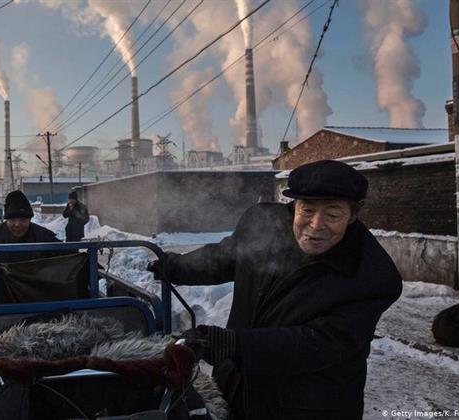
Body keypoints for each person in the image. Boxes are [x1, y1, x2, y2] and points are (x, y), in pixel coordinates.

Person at [148, 160, 402, 420]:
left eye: (333, 214)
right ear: (294, 205)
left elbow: (317, 344)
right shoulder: (265, 224)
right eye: (307, 210)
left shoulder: (371, 277)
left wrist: (233, 344)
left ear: (355, 213)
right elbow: (225, 257)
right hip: (235, 390)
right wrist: (172, 267)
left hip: (302, 407)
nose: (316, 225)